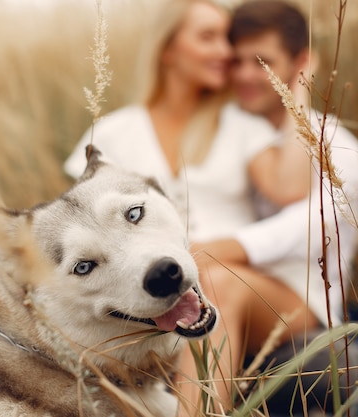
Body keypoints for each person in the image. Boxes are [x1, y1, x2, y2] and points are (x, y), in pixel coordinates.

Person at [64, 0, 315, 414]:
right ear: (168, 49)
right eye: (208, 37)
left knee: (214, 282)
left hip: (250, 293)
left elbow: (290, 188)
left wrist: (300, 88)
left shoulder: (239, 124)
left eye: (227, 39)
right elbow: (86, 230)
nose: (225, 52)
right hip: (155, 295)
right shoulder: (113, 132)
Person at [188, 0, 358, 414]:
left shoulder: (335, 142)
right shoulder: (226, 131)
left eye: (263, 62)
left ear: (300, 62)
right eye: (238, 62)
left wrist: (212, 250)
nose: (247, 75)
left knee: (218, 282)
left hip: (303, 311)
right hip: (224, 304)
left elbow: (308, 229)